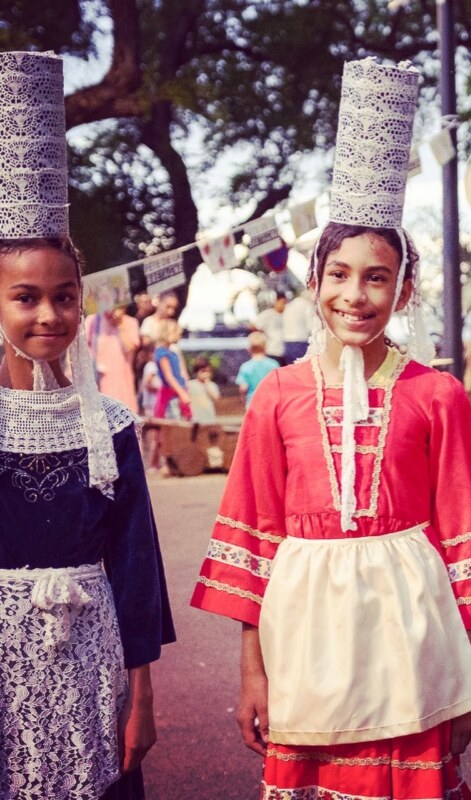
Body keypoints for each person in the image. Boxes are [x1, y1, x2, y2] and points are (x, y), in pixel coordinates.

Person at [191, 58, 471, 800]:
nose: (355, 294)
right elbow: (256, 540)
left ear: (404, 289)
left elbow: (464, 539)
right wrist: (253, 673)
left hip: (414, 647)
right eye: (339, 274)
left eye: (376, 276)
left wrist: (465, 678)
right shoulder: (277, 395)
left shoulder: (438, 395)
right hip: (303, 646)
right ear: (314, 281)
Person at [0, 51, 175, 800]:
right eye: (25, 297)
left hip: (91, 661)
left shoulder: (111, 425)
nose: (49, 314)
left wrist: (143, 695)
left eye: (65, 296)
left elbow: (135, 571)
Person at [85, 303, 140, 412]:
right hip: (96, 380)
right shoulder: (92, 320)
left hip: (120, 382)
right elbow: (83, 349)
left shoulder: (130, 322)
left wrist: (120, 325)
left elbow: (130, 349)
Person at [153, 319, 190, 420]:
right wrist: (181, 393)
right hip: (171, 394)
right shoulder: (162, 354)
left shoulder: (172, 352)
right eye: (176, 332)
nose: (179, 335)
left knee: (184, 419)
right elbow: (168, 376)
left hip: (178, 391)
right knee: (174, 419)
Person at [235, 331, 279, 408]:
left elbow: (243, 387)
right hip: (270, 401)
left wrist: (243, 399)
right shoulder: (273, 364)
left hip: (252, 401)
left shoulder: (245, 367)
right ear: (265, 347)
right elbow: (278, 384)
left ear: (249, 349)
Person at [252, 290, 286, 365]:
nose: (282, 305)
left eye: (284, 303)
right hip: (272, 350)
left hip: (285, 351)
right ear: (276, 302)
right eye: (281, 302)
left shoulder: (287, 314)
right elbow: (254, 327)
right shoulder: (267, 314)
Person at [282, 289, 315, 363]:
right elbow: (310, 327)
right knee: (302, 366)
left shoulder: (290, 305)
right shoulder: (306, 305)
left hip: (287, 342)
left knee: (291, 367)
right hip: (300, 342)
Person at [187, 356, 220, 423]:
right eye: (203, 371)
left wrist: (207, 385)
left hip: (209, 417)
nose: (206, 374)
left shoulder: (212, 385)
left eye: (208, 371)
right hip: (196, 418)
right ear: (196, 372)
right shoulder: (191, 384)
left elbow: (216, 398)